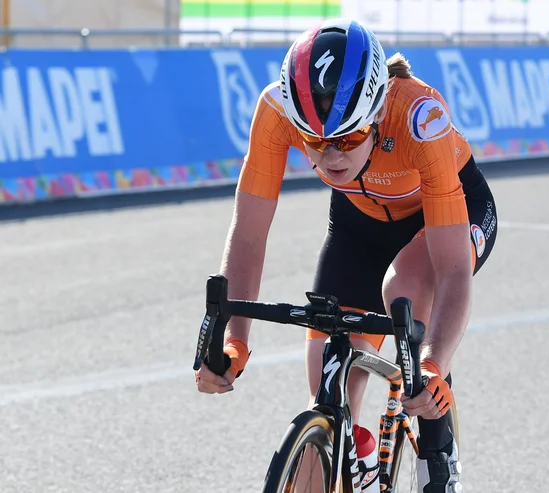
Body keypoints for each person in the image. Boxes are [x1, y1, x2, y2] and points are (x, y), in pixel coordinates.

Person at [195, 17, 498, 493]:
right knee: (329, 373)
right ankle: (352, 456)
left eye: (349, 138)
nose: (331, 155)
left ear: (377, 114)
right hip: (359, 223)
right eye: (314, 142)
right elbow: (249, 235)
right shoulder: (276, 111)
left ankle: (438, 456)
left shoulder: (421, 117)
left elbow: (454, 270)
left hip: (445, 217)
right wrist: (234, 341)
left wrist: (435, 361)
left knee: (406, 290)